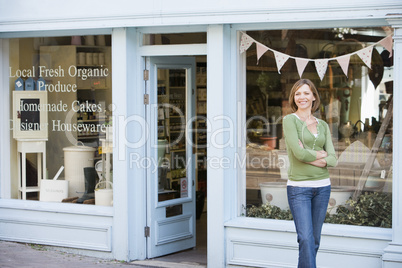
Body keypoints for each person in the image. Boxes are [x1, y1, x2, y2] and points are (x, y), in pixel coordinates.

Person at [282, 79, 337, 268]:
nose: (302, 97)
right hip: (299, 188)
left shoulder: (322, 125)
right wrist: (319, 156)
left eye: (306, 93)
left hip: (322, 188)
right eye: (297, 93)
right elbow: (298, 154)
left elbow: (333, 159)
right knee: (305, 238)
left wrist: (309, 156)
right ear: (293, 98)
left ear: (314, 96)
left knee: (314, 240)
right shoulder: (290, 120)